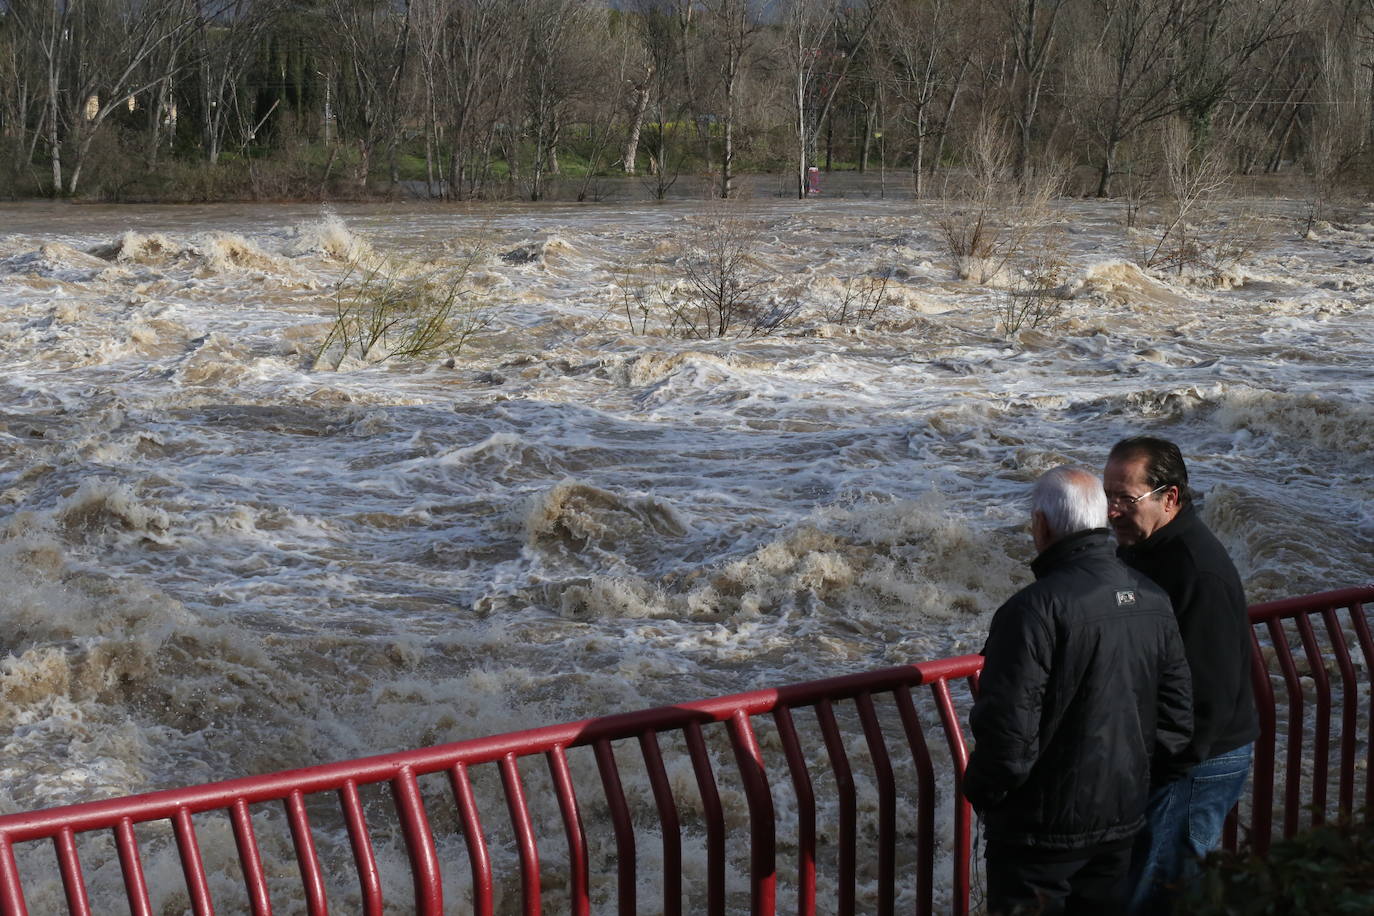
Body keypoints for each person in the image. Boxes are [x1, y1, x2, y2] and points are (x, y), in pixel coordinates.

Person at [965, 466, 1193, 915]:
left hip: (1039, 834)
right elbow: (1176, 719)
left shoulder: (1031, 610)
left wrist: (987, 794)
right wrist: (1130, 784)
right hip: (1121, 820)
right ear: (1102, 518)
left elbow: (1008, 733)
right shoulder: (1150, 597)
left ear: (1042, 525)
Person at [1103, 436, 1259, 914]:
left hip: (1196, 764)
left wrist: (1158, 772)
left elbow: (1205, 698)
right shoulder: (1145, 546)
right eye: (1105, 496)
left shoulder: (1195, 572)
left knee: (1158, 894)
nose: (1111, 511)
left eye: (1125, 499)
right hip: (1171, 754)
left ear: (1169, 498)